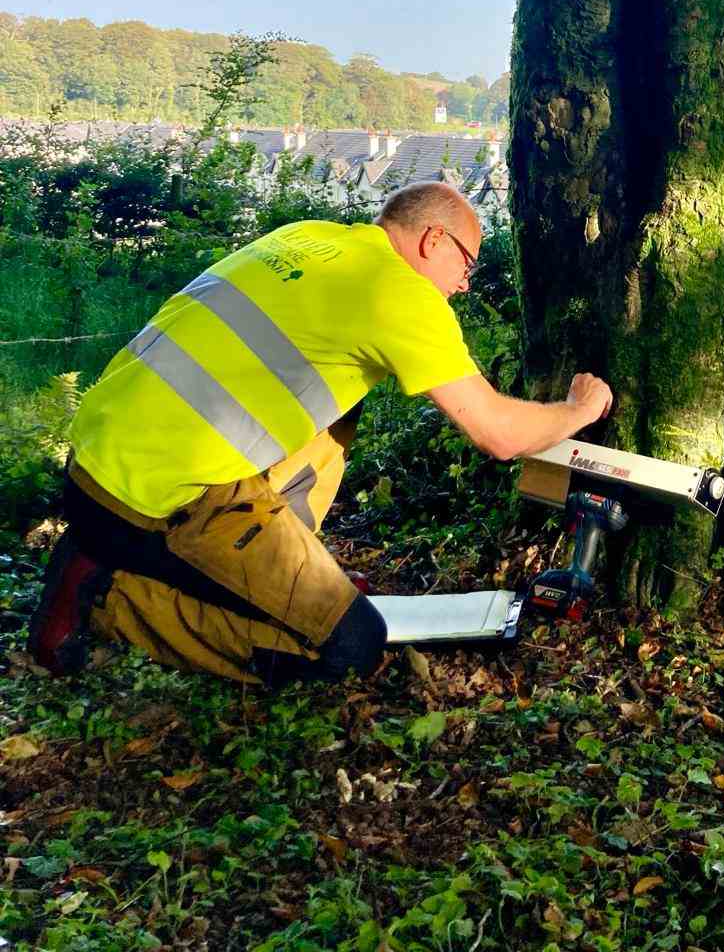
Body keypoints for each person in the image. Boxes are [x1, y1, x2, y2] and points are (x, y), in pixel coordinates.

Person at [29, 182, 612, 686]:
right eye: (467, 265)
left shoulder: (306, 235)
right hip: (155, 500)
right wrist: (577, 409)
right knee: (347, 646)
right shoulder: (400, 294)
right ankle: (105, 594)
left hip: (91, 461)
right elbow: (500, 435)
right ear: (434, 240)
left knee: (339, 410)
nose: (464, 284)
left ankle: (262, 569)